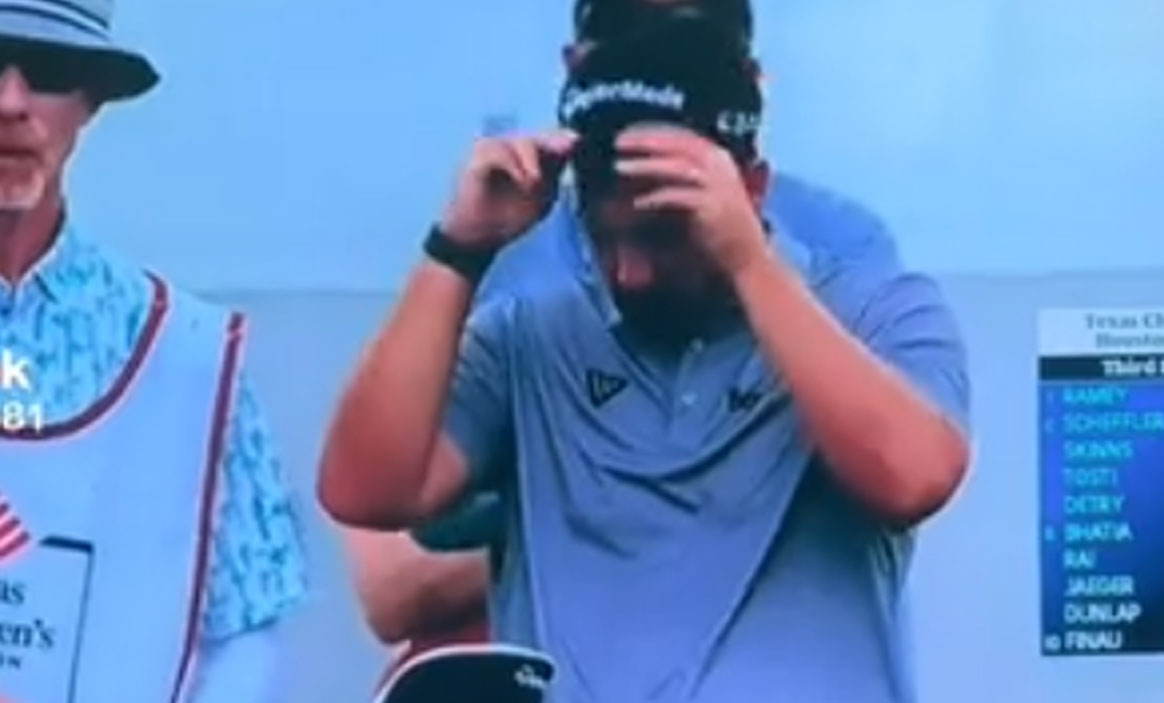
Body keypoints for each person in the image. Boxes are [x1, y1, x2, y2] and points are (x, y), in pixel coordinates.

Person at [320, 15, 969, 703]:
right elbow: (364, 492)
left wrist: (748, 264)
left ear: (750, 188)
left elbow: (915, 478)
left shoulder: (876, 310)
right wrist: (458, 250)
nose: (629, 274)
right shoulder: (527, 338)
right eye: (605, 239)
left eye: (663, 235)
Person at [0, 4, 306, 703]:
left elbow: (244, 635)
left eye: (47, 70)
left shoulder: (191, 359)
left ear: (91, 99)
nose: (10, 101)